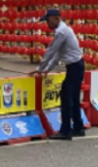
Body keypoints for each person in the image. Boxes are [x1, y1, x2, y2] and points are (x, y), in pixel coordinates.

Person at [31, 8, 85, 141]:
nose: (47, 24)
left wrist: (40, 68)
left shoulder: (61, 32)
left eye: (48, 21)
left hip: (74, 67)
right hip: (77, 65)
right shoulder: (64, 30)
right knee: (74, 98)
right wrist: (46, 69)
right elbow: (57, 55)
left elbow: (50, 51)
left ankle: (66, 131)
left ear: (56, 18)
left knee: (66, 98)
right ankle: (78, 127)